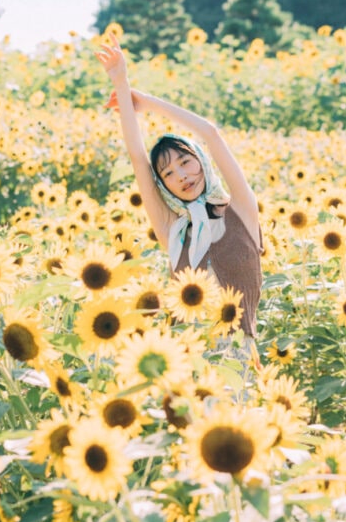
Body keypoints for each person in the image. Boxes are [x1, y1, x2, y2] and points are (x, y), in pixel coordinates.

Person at [95, 35, 263, 341]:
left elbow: (211, 133)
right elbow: (137, 157)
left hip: (239, 370)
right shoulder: (173, 229)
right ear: (164, 186)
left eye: (186, 161)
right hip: (182, 365)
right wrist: (121, 81)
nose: (182, 175)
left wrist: (146, 102)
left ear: (201, 160)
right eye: (169, 173)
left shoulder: (241, 210)